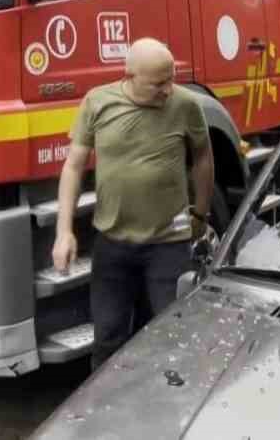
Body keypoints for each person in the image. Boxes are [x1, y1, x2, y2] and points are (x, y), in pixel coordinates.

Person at [53, 37, 214, 369]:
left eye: (171, 79)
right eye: (159, 83)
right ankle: (104, 409)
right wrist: (63, 231)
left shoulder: (186, 105)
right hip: (113, 244)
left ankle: (173, 408)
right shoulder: (97, 103)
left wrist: (201, 211)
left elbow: (202, 158)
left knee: (174, 335)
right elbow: (73, 166)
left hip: (167, 244)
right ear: (129, 76)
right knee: (108, 336)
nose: (168, 89)